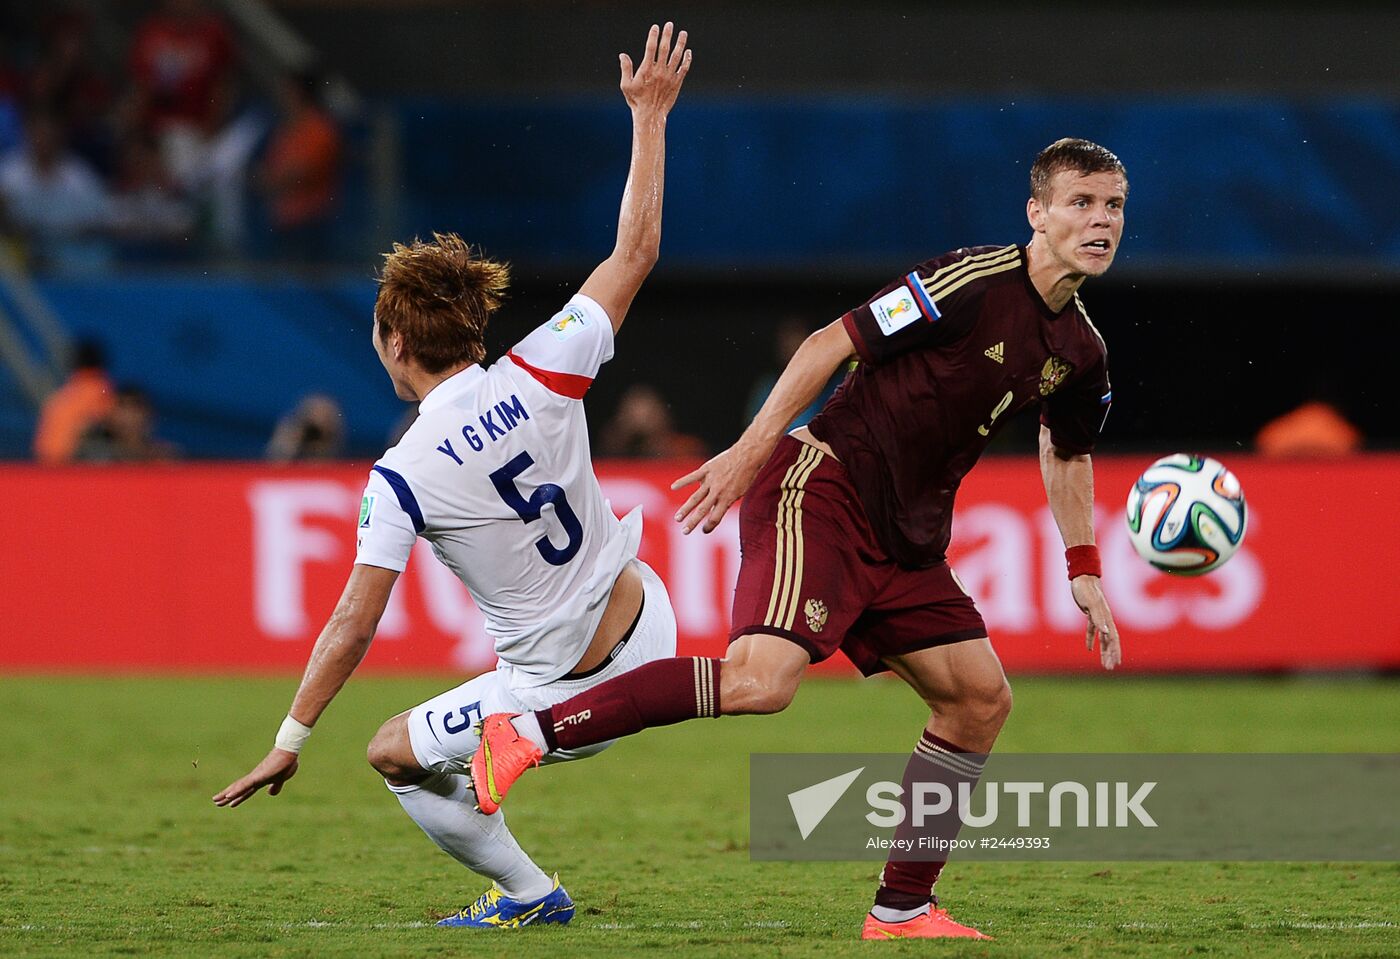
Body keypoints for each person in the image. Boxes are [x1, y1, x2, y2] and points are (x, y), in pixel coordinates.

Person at [471, 138, 1128, 941]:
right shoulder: (970, 281)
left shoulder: (1081, 353)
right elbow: (829, 343)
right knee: (761, 682)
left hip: (908, 539)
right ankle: (527, 731)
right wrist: (751, 452)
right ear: (1038, 214)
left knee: (979, 701)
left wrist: (1084, 566)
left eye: (1113, 206)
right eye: (1081, 203)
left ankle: (902, 908)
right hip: (821, 487)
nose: (1099, 221)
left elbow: (1066, 450)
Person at [214, 23, 692, 930]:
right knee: (464, 732)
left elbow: (355, 620)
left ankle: (529, 893)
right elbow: (635, 253)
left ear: (396, 345)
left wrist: (289, 738)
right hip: (650, 620)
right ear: (473, 330)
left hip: (564, 688)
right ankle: (511, 811)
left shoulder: (402, 475)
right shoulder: (546, 366)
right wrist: (652, 117)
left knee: (392, 752)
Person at [32, 338, 113, 463]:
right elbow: (99, 422)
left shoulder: (65, 391)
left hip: (45, 457)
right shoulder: (99, 387)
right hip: (69, 460)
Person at [598, 383, 706, 459]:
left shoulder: (685, 449)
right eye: (633, 415)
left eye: (648, 415)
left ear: (662, 416)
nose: (640, 421)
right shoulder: (610, 448)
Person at [265, 392, 346, 461]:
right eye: (314, 413)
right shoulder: (291, 430)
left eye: (325, 416)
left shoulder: (335, 437)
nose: (318, 419)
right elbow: (276, 459)